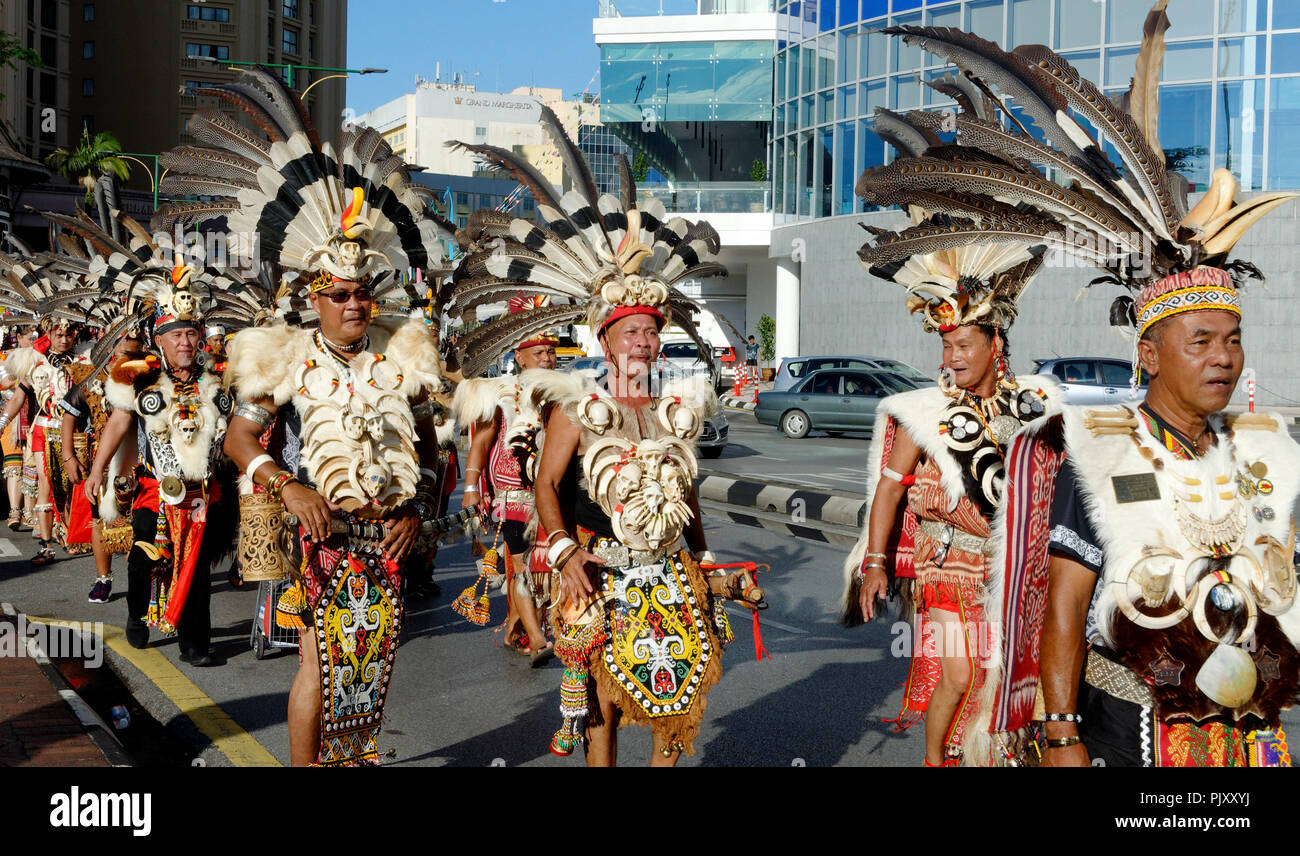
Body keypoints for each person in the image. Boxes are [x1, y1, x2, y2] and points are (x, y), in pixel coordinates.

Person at [446, 110, 760, 764]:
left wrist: (704, 559)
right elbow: (545, 483)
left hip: (668, 567)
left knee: (678, 702)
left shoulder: (675, 408)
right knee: (602, 708)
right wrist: (563, 553)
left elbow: (686, 491)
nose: (642, 342)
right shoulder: (577, 404)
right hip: (600, 564)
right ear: (605, 339)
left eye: (650, 331)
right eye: (630, 332)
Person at [170, 67, 454, 765]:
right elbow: (239, 438)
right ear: (315, 297)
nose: (354, 305)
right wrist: (288, 486)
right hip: (322, 530)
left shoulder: (405, 352)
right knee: (320, 666)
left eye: (362, 293)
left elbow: (424, 443)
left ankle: (355, 758)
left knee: (371, 667)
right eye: (339, 295)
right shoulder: (283, 356)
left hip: (387, 534)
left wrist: (416, 509)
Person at [839, 129, 1061, 763]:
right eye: (944, 345)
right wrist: (876, 563)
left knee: (1011, 682)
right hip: (949, 567)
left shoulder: (1032, 408)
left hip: (1014, 569)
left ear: (996, 345)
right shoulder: (922, 412)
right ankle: (938, 759)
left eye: (963, 345)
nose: (951, 357)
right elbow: (891, 484)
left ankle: (989, 754)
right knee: (960, 675)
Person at [85, 257, 236, 666]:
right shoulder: (140, 376)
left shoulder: (217, 378)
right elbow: (117, 423)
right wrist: (98, 469)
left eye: (191, 333)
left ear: (201, 337)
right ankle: (136, 612)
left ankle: (195, 644)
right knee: (142, 558)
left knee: (198, 569)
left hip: (204, 492)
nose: (184, 342)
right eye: (176, 335)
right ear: (160, 339)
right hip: (156, 489)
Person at [453, 321, 559, 665]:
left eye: (551, 351)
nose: (547, 358)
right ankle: (539, 639)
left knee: (547, 566)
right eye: (539, 352)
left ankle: (518, 626)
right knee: (522, 563)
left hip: (553, 496)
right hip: (514, 498)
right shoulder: (500, 393)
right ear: (520, 356)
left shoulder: (564, 393)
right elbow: (481, 443)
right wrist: (471, 490)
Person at [61, 331, 145, 603]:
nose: (129, 361)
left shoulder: (147, 378)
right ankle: (103, 578)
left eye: (135, 355)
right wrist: (68, 456)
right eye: (125, 355)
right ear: (111, 353)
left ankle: (140, 578)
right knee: (101, 520)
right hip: (104, 461)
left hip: (141, 463)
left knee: (141, 524)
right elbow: (69, 415)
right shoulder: (92, 380)